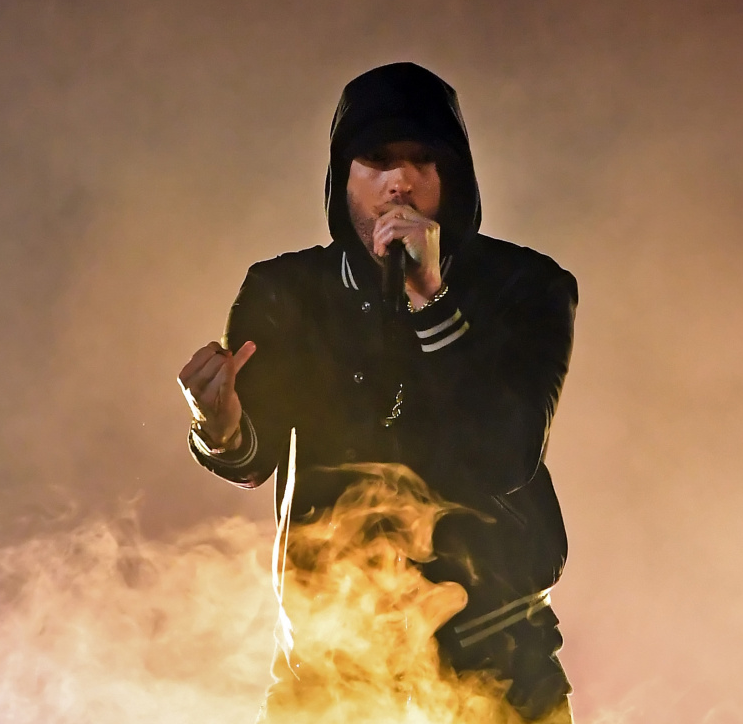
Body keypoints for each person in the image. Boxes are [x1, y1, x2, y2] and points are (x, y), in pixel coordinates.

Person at [177, 62, 578, 722]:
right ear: (343, 177)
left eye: (423, 158)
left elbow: (507, 455)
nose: (400, 181)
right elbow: (252, 457)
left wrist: (431, 300)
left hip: (500, 654)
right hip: (329, 659)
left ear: (454, 175)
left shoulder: (527, 287)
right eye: (378, 159)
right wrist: (217, 427)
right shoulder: (287, 292)